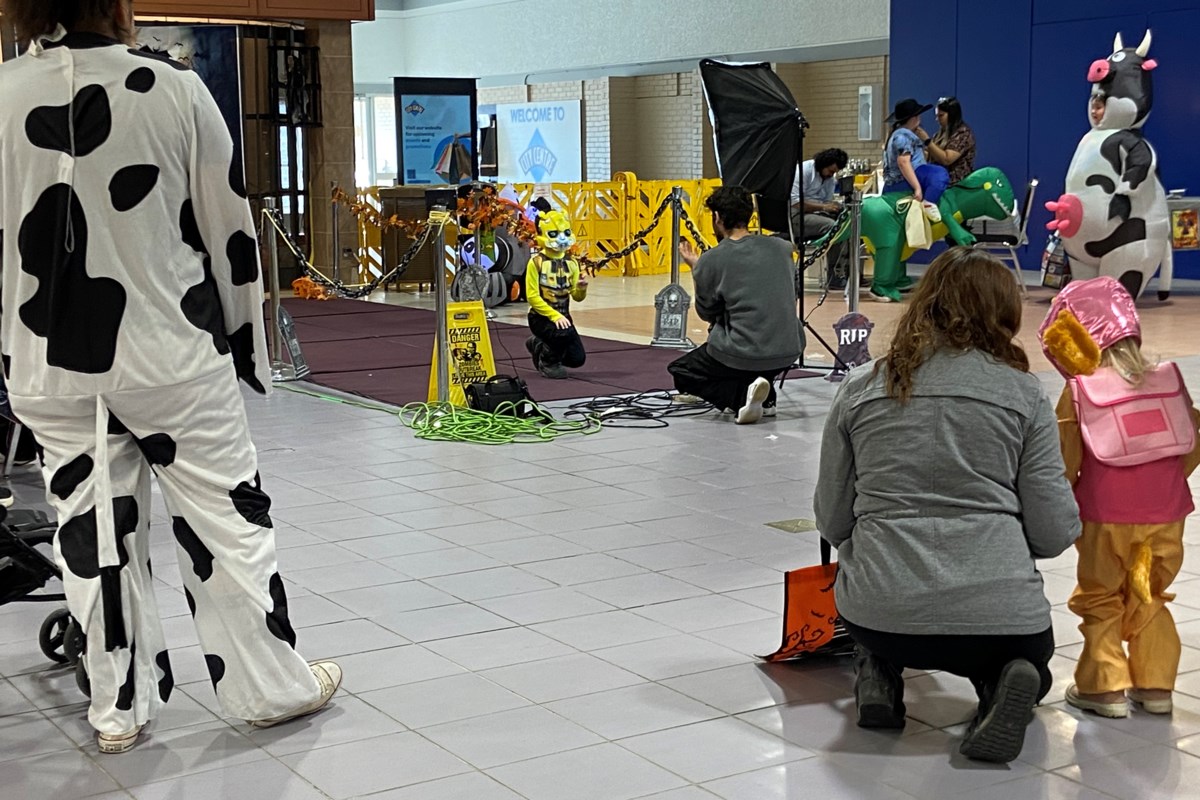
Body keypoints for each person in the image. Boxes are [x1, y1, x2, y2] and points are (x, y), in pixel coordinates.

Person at [0, 1, 340, 753]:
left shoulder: (2, 93)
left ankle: (119, 707)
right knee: (227, 521)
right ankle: (270, 688)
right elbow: (230, 227)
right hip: (172, 354)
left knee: (93, 534)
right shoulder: (174, 87)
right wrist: (249, 346)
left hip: (46, 363)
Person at [814, 248, 1080, 763]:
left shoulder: (859, 387)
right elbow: (1052, 533)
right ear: (1003, 313)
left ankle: (878, 674)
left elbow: (832, 519)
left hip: (879, 610)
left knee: (875, 623)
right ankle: (1002, 681)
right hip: (1002, 614)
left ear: (924, 304)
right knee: (1023, 657)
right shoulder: (1024, 395)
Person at [1038, 277, 1200, 719]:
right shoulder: (1169, 379)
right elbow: (1190, 443)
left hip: (1104, 517)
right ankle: (1156, 685)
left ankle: (1104, 687)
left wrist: (1068, 499)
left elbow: (1062, 463)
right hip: (1168, 515)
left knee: (1101, 596)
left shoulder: (1080, 392)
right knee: (1151, 595)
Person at [668, 186, 801, 424]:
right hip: (790, 348)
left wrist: (698, 269)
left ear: (717, 218)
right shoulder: (782, 248)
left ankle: (741, 398)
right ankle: (766, 395)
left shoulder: (713, 258)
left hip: (745, 350)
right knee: (752, 348)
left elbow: (707, 312)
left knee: (683, 372)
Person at [525, 200, 588, 379]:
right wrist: (553, 315)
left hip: (563, 317)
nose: (561, 238)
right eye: (554, 234)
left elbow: (576, 297)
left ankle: (540, 344)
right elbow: (532, 296)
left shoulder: (572, 263)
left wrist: (581, 288)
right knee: (562, 333)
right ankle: (547, 361)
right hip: (541, 317)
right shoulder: (536, 263)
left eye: (565, 233)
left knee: (577, 359)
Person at [789, 148, 856, 289]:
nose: (833, 174)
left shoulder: (830, 179)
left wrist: (834, 207)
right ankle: (834, 275)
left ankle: (852, 273)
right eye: (831, 171)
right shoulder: (802, 171)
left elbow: (826, 201)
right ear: (823, 163)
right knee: (834, 227)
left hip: (816, 214)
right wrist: (823, 207)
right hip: (796, 216)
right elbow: (795, 203)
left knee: (850, 223)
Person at [882, 97, 950, 208]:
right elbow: (903, 162)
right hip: (903, 180)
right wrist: (917, 188)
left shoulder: (896, 134)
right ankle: (928, 204)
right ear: (913, 118)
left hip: (892, 183)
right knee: (939, 175)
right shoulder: (903, 135)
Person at [919, 96, 976, 184]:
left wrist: (927, 141)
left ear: (952, 115)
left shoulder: (963, 134)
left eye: (941, 116)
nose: (937, 119)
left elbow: (946, 159)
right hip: (937, 180)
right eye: (937, 116)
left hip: (956, 185)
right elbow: (928, 154)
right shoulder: (940, 133)